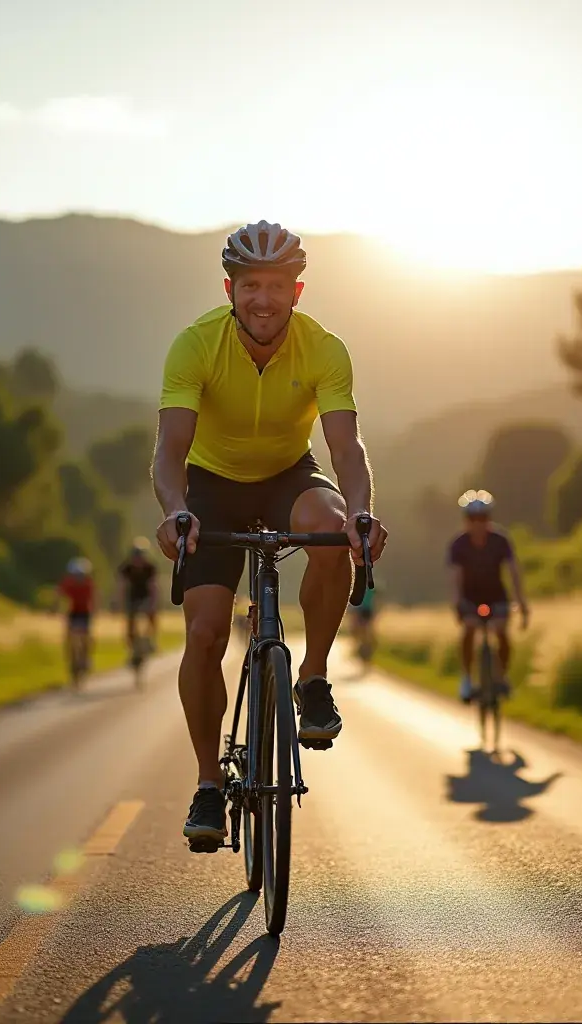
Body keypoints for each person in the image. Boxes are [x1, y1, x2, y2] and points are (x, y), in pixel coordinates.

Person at [151, 220, 388, 847]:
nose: (263, 298)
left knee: (334, 532)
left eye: (275, 285)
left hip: (288, 475)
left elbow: (346, 448)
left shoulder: (325, 349)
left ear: (297, 291)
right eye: (250, 284)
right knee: (204, 633)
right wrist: (176, 510)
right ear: (230, 288)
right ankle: (208, 785)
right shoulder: (194, 345)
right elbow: (169, 452)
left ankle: (311, 676)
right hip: (211, 486)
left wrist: (363, 515)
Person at [447, 491, 529, 703]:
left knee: (501, 632)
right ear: (466, 520)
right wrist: (456, 603)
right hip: (470, 596)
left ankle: (501, 677)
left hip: (496, 595)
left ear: (489, 518)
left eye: (482, 518)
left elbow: (513, 572)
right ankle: (466, 679)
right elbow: (456, 577)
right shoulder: (458, 544)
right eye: (473, 519)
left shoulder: (501, 541)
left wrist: (521, 602)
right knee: (470, 628)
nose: (478, 523)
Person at [117, 539, 159, 655]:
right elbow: (122, 586)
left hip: (145, 596)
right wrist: (121, 604)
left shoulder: (149, 568)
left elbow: (153, 587)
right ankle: (131, 646)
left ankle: (151, 639)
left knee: (152, 615)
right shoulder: (126, 568)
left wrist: (153, 604)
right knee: (130, 621)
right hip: (132, 597)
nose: (138, 560)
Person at [57, 557, 95, 673]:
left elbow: (94, 598)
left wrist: (94, 611)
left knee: (85, 636)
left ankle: (86, 657)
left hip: (85, 612)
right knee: (69, 635)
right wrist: (57, 607)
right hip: (72, 612)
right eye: (76, 575)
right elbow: (59, 595)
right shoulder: (68, 582)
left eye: (81, 574)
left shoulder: (88, 583)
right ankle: (71, 658)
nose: (79, 577)